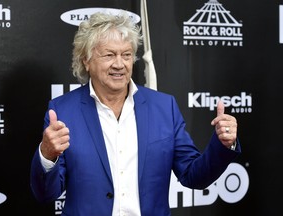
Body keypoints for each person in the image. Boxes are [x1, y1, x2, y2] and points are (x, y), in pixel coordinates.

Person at [30, 10, 241, 216]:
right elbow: (46, 195)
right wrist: (47, 155)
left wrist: (222, 145)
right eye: (109, 55)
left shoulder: (164, 107)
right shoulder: (62, 111)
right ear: (86, 59)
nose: (120, 64)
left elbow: (193, 176)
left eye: (127, 55)